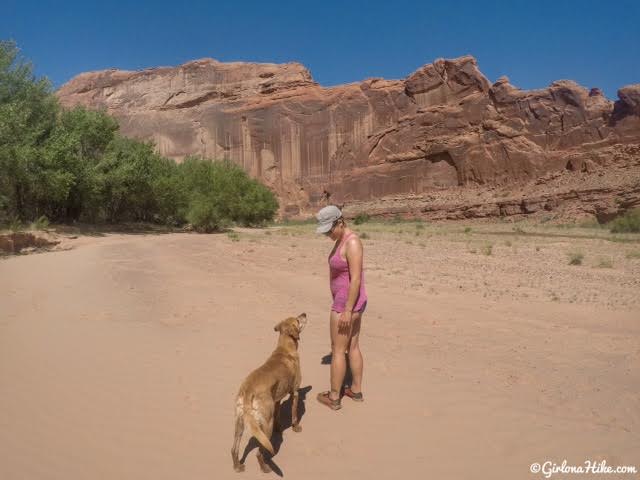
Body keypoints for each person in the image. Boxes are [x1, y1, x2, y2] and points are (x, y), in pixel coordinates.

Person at [315, 205, 367, 410]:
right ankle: (355, 390)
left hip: (346, 305)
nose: (327, 234)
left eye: (329, 230)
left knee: (337, 350)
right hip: (348, 302)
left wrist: (346, 310)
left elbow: (355, 280)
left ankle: (334, 396)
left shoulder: (352, 242)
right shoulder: (341, 240)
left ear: (340, 222)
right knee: (352, 346)